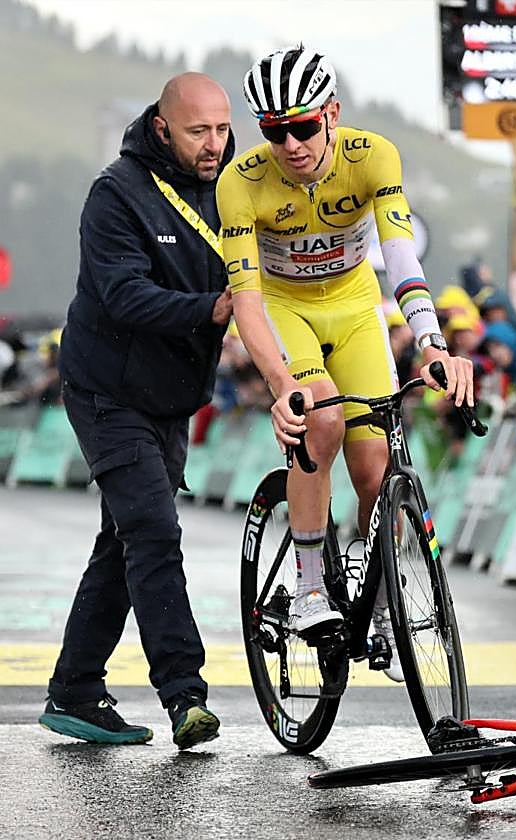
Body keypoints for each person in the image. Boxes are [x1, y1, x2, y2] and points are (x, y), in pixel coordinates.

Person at [216, 47, 473, 655]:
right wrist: (283, 387)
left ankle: (380, 604)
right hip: (285, 308)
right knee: (322, 418)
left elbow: (401, 256)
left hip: (356, 307)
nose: (291, 145)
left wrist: (432, 342)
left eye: (304, 127)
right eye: (274, 132)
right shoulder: (240, 182)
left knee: (376, 470)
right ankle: (309, 586)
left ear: (331, 113)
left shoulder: (373, 156)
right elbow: (246, 301)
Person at [40, 73, 234, 749]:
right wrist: (213, 309)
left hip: (172, 398)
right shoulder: (116, 193)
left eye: (222, 129)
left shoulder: (235, 189)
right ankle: (185, 694)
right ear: (161, 127)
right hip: (107, 391)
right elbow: (123, 295)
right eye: (197, 132)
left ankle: (75, 689)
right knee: (152, 529)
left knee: (124, 540)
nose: (213, 145)